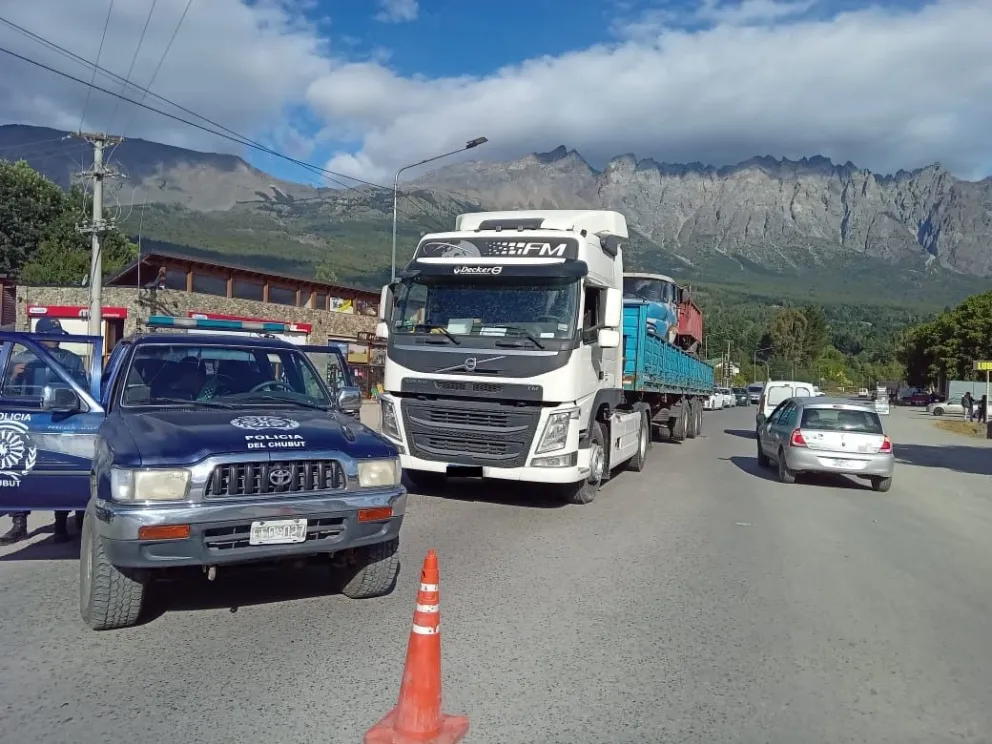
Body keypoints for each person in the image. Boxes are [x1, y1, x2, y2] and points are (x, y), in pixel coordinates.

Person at [0, 317, 88, 546]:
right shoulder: (21, 359)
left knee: (63, 469)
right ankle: (19, 524)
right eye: (51, 334)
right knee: (22, 471)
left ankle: (62, 524)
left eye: (58, 334)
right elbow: (10, 394)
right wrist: (13, 377)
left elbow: (83, 389)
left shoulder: (71, 359)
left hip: (62, 417)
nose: (56, 339)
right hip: (30, 419)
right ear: (39, 335)